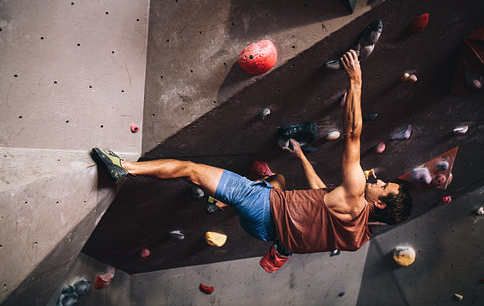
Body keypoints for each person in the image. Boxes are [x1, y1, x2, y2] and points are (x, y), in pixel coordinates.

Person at [90, 50, 412, 273]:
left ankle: (125, 169)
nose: (376, 182)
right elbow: (321, 193)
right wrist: (300, 155)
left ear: (381, 205)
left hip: (260, 206)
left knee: (191, 171)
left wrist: (355, 82)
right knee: (280, 181)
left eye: (382, 187)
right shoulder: (358, 238)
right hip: (263, 234)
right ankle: (228, 208)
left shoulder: (356, 193)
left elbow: (353, 134)